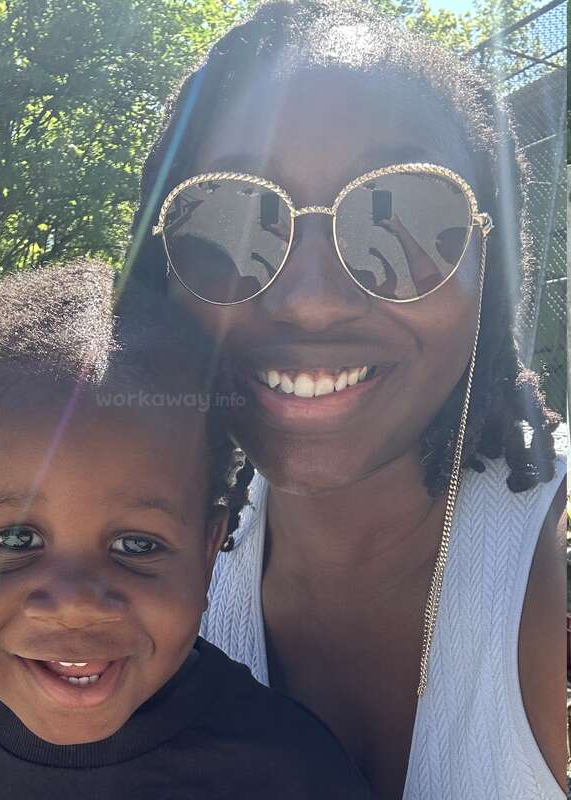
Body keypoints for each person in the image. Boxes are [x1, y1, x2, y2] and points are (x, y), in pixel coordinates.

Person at [122, 2, 567, 798]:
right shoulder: (146, 558)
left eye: (406, 217)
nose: (311, 302)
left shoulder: (551, 559)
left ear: (489, 262)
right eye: (231, 222)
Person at [0, 262, 370, 799]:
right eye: (15, 540)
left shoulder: (291, 774)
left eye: (136, 545)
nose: (76, 606)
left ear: (205, 558)